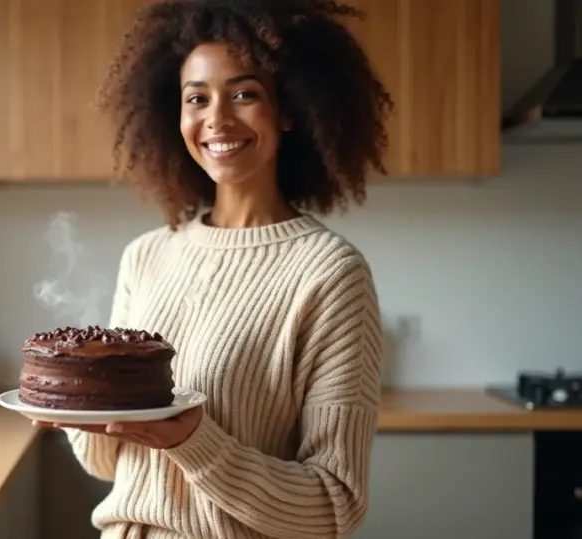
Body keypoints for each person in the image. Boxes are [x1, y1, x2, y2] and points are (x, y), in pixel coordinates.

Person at [34, 1, 392, 538]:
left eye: (244, 94)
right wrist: (78, 409)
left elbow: (332, 507)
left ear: (289, 108)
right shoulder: (147, 255)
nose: (217, 119)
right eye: (196, 98)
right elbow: (110, 465)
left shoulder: (330, 274)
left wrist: (192, 442)